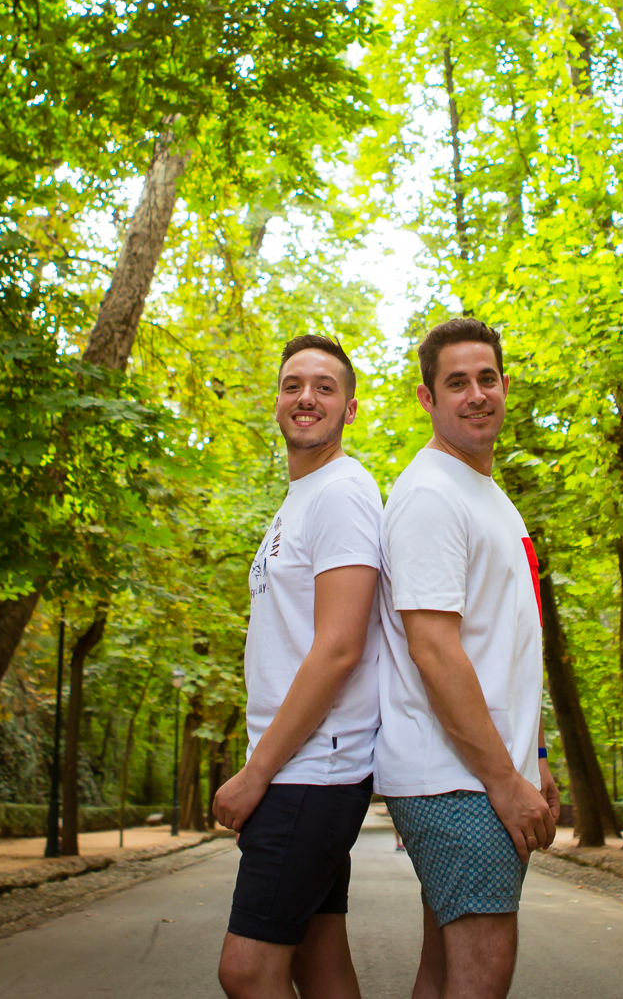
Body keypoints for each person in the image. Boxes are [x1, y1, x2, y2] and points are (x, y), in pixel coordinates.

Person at [376, 318, 557, 999]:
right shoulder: (430, 495)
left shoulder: (490, 495)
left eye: (487, 379)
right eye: (457, 382)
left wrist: (534, 758)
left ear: (505, 387)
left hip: (480, 776)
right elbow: (433, 648)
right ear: (427, 398)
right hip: (455, 780)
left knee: (446, 971)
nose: (476, 394)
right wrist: (505, 780)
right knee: (482, 974)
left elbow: (504, 644)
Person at [214, 334, 385, 999]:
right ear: (277, 400)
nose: (305, 397)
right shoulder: (303, 497)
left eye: (324, 386)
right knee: (320, 963)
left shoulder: (342, 492)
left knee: (248, 969)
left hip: (311, 772)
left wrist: (257, 774)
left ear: (348, 408)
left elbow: (339, 646)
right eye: (293, 384)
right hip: (302, 768)